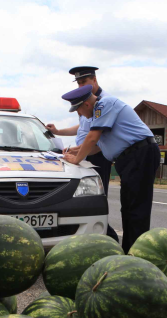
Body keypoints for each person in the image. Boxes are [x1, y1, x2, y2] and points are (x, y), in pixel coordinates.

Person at [61, 85, 160, 253]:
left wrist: (77, 159)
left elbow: (92, 138)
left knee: (136, 209)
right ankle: (130, 251)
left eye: (78, 110)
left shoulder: (104, 105)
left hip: (139, 154)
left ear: (85, 104)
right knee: (128, 208)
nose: (80, 115)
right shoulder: (97, 115)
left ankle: (139, 254)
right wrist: (74, 151)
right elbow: (96, 147)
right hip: (129, 158)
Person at [46, 66, 119, 243]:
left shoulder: (104, 101)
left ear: (94, 80)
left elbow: (96, 136)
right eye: (78, 83)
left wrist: (78, 154)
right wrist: (59, 132)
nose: (81, 86)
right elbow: (83, 128)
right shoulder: (85, 101)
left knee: (95, 198)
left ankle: (106, 238)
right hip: (84, 154)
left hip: (96, 155)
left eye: (84, 82)